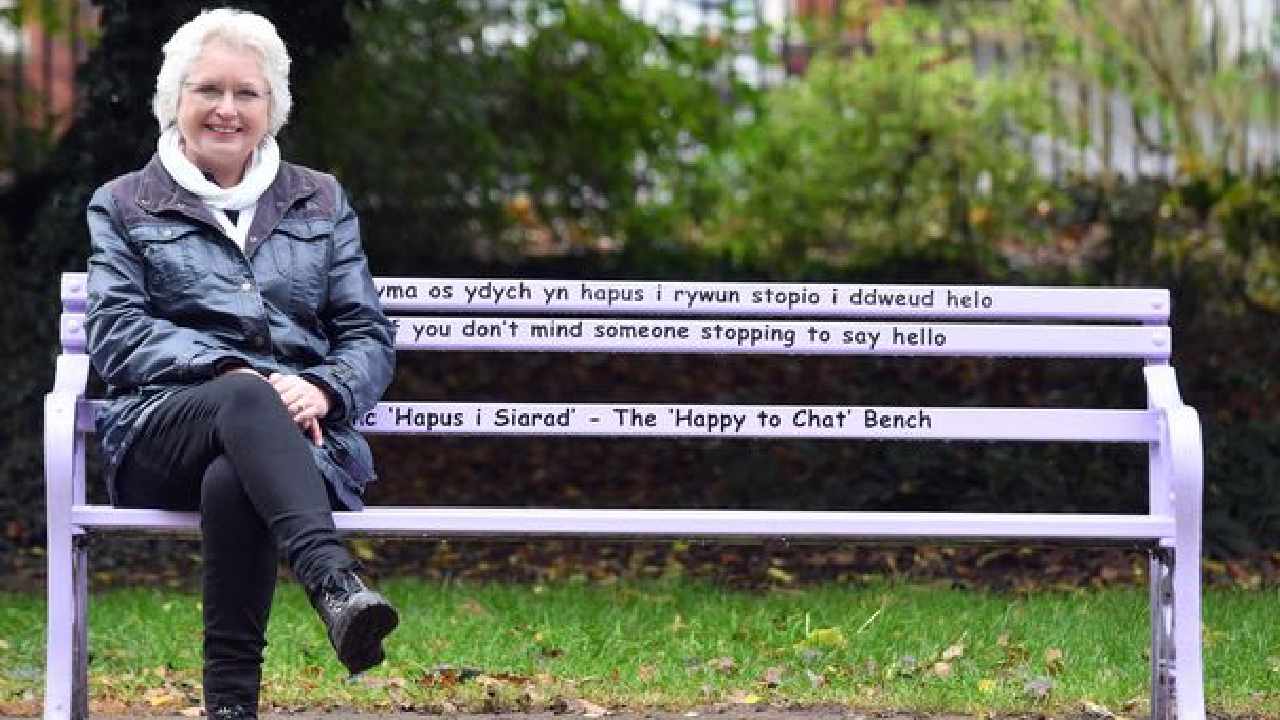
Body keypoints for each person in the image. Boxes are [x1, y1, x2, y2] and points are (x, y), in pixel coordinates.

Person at [84, 9, 398, 719]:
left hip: (298, 441)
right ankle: (334, 584)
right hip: (162, 430)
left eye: (246, 94)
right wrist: (229, 370)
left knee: (236, 478)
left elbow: (366, 332)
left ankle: (231, 709)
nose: (226, 109)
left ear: (272, 108)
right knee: (246, 396)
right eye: (208, 91)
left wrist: (324, 387)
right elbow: (115, 331)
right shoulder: (124, 204)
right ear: (176, 101)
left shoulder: (320, 199)